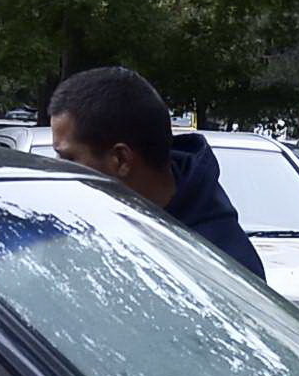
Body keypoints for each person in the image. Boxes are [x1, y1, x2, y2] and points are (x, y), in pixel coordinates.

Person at [45, 64, 263, 279]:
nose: (57, 170)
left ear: (121, 159)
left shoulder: (224, 270)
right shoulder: (82, 225)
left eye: (68, 158)